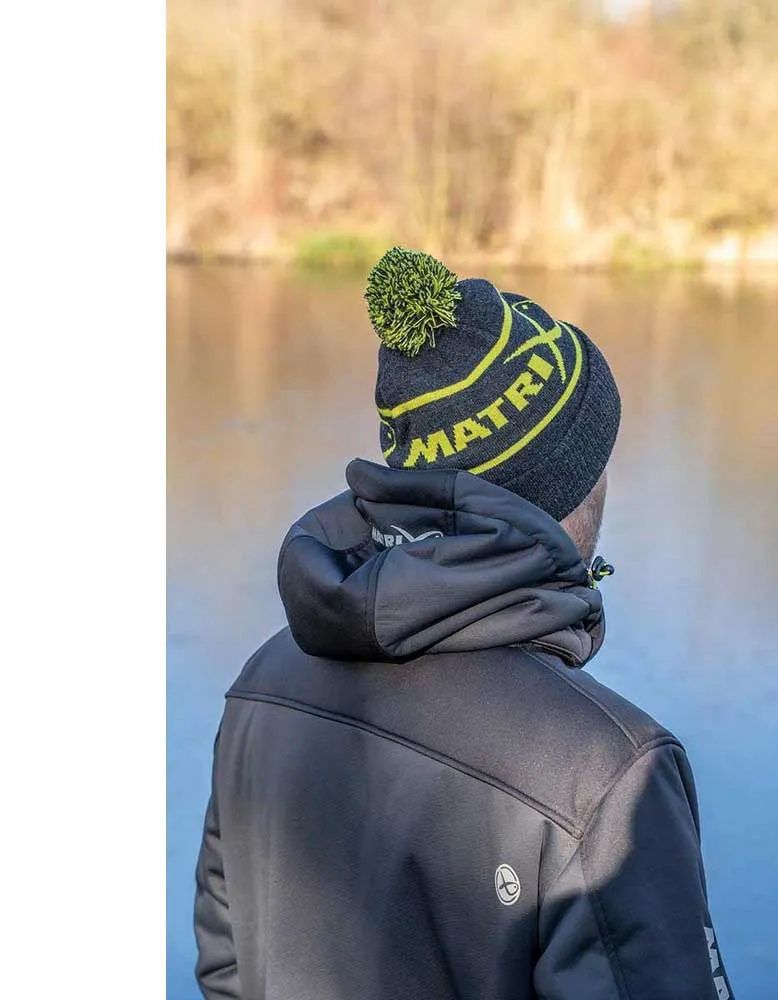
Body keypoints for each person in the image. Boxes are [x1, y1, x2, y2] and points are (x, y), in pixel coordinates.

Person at [194, 247, 735, 1000]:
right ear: (563, 485)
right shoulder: (608, 774)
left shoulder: (261, 685)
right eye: (600, 456)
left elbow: (226, 970)